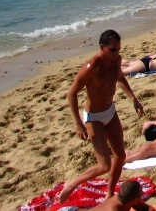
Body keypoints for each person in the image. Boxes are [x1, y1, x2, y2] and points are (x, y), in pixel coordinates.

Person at [61, 30, 145, 203]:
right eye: (113, 50)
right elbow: (71, 94)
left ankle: (109, 193)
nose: (116, 54)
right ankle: (72, 184)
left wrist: (133, 99)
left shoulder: (117, 60)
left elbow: (120, 78)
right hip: (94, 117)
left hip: (110, 112)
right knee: (104, 165)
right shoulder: (92, 65)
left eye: (119, 49)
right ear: (102, 47)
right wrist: (78, 124)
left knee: (120, 156)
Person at [89, 180, 156, 211]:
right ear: (134, 199)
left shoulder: (126, 197)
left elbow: (147, 209)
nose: (142, 194)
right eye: (141, 194)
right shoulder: (113, 209)